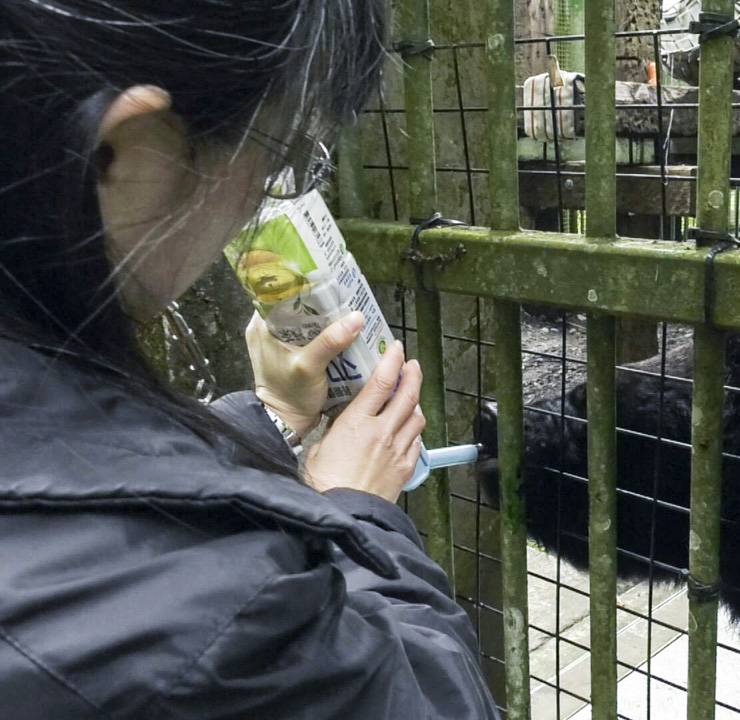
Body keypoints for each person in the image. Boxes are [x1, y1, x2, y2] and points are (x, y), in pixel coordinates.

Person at [0, 2, 499, 718]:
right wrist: (353, 517)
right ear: (129, 153)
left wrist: (266, 421)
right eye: (282, 156)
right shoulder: (222, 614)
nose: (267, 192)